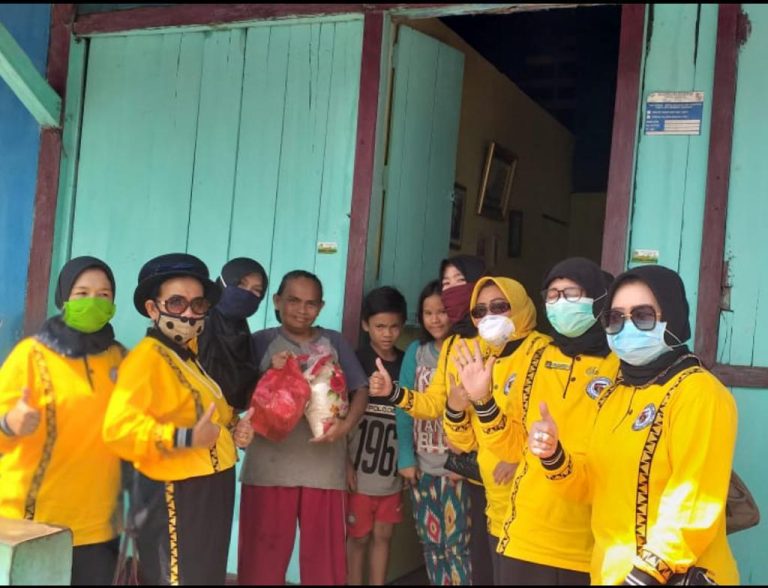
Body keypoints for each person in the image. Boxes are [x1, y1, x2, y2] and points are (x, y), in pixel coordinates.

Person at [529, 265, 739, 585]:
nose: (627, 327)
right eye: (615, 318)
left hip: (665, 577)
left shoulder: (699, 393)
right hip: (611, 573)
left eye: (642, 315)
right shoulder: (615, 394)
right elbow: (593, 486)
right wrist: (553, 454)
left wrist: (644, 576)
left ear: (672, 317)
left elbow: (694, 503)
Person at [372, 275, 550, 583]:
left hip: (534, 491)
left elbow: (550, 422)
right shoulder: (466, 349)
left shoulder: (545, 353)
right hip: (489, 486)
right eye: (480, 311)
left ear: (520, 304)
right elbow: (443, 411)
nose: (489, 317)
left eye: (499, 306)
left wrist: (520, 457)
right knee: (475, 561)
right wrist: (396, 393)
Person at [454, 258, 620, 585]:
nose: (560, 303)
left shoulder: (622, 366)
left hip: (589, 540)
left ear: (599, 298)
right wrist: (483, 401)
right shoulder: (539, 358)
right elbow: (512, 445)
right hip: (527, 536)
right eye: (553, 295)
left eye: (571, 294)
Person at [102, 253, 255, 585]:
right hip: (175, 490)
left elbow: (210, 417)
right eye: (176, 302)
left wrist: (234, 429)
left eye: (198, 304)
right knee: (179, 577)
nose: (188, 313)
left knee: (205, 576)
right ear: (153, 308)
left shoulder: (187, 357)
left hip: (211, 483)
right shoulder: (146, 360)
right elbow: (118, 430)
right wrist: (185, 437)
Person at [238, 270, 369, 586]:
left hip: (324, 469)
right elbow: (240, 396)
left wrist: (345, 427)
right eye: (293, 300)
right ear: (277, 301)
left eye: (311, 303)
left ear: (321, 307)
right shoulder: (260, 342)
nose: (301, 310)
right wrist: (271, 372)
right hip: (268, 469)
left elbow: (361, 390)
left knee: (325, 568)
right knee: (261, 565)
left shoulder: (334, 342)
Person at [0, 256, 124, 585]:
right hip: (32, 525)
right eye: (82, 293)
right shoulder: (31, 355)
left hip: (98, 527)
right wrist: (9, 423)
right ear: (63, 298)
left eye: (104, 295)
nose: (93, 302)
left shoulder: (121, 359)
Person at [395, 279, 472, 585]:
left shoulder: (467, 350)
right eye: (428, 313)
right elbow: (404, 406)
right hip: (422, 466)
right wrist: (406, 458)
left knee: (458, 545)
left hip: (456, 469)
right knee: (431, 543)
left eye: (442, 311)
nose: (436, 319)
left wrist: (462, 463)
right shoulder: (416, 351)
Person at [347, 286, 407, 585]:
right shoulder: (354, 361)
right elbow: (337, 415)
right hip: (358, 472)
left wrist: (408, 462)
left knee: (384, 535)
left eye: (394, 326)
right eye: (380, 326)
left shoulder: (407, 364)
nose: (387, 334)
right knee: (358, 537)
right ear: (365, 324)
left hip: (391, 470)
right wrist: (344, 463)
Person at [197, 257, 269, 410]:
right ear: (222, 283)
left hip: (227, 420)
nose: (246, 293)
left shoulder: (243, 335)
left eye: (256, 290)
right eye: (241, 284)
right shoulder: (197, 324)